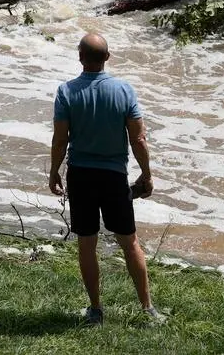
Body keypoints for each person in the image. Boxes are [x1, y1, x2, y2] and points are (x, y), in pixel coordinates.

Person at [48, 32, 166, 326]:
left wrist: (54, 171)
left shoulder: (66, 92)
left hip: (81, 176)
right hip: (114, 177)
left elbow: (60, 139)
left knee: (87, 244)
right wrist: (147, 175)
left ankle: (96, 310)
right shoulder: (124, 90)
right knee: (130, 243)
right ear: (107, 58)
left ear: (80, 57)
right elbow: (138, 138)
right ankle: (147, 308)